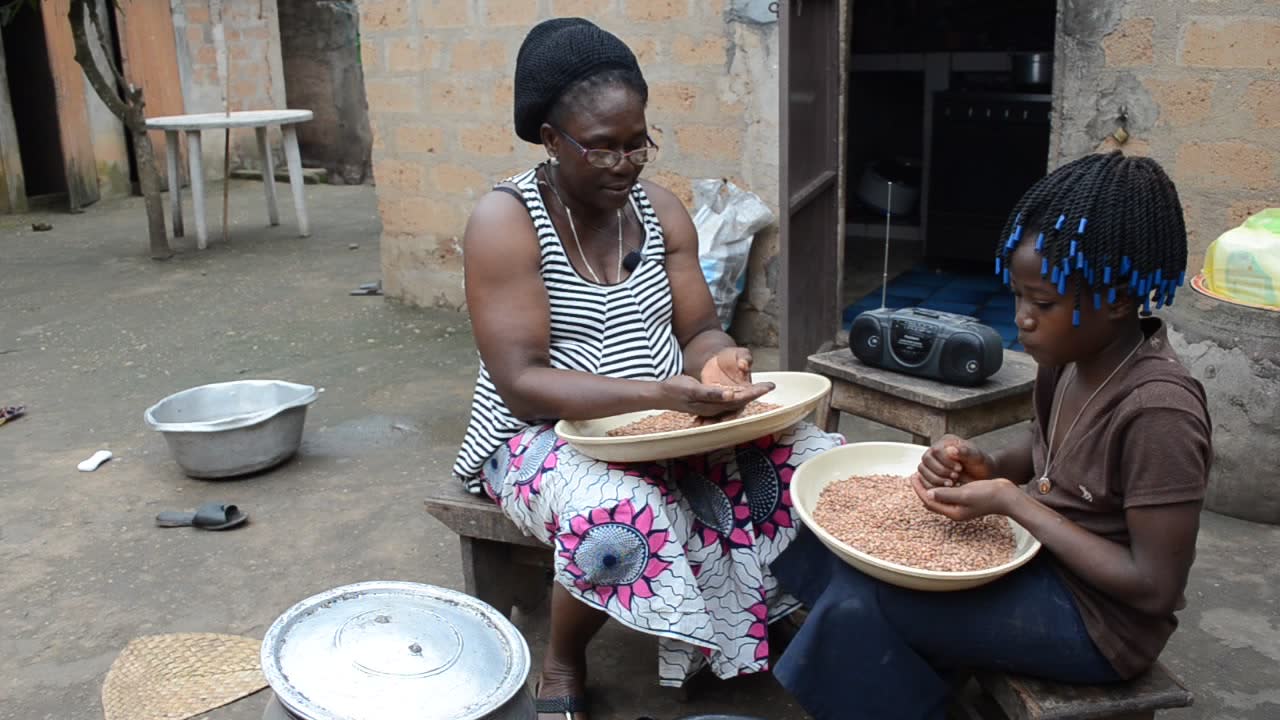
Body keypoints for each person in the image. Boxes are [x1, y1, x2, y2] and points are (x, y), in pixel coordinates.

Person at [453, 18, 843, 719]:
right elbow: (521, 380)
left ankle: (763, 606)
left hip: (667, 419)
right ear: (549, 139)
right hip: (537, 435)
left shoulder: (661, 212)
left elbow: (697, 328)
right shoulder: (505, 220)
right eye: (602, 148)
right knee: (622, 506)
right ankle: (563, 657)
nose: (625, 163)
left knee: (811, 458)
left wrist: (720, 362)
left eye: (637, 142)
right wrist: (657, 395)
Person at [770, 151, 1212, 720]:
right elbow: (1052, 453)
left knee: (862, 604)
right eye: (1019, 296)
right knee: (827, 551)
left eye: (1044, 303)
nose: (1022, 318)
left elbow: (1154, 587)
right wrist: (990, 464)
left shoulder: (1160, 412)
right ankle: (914, 685)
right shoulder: (1069, 360)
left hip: (1101, 623)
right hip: (1044, 565)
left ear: (1119, 299)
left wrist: (1013, 503)